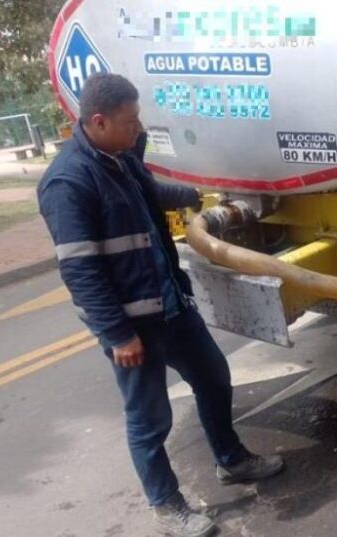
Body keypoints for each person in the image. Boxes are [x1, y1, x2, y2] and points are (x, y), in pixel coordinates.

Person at [38, 74, 283, 537]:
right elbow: (79, 271)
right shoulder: (68, 182)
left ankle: (231, 460)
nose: (138, 128)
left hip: (171, 303)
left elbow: (150, 193)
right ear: (98, 121)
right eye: (130, 122)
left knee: (214, 377)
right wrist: (116, 334)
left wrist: (198, 196)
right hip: (133, 324)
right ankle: (167, 505)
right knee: (149, 420)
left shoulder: (118, 159)